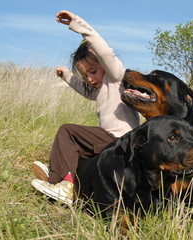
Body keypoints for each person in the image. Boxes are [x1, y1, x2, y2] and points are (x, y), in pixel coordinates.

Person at [31, 10, 140, 204]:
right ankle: (61, 179)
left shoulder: (116, 77)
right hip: (110, 144)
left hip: (120, 141)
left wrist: (78, 24)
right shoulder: (100, 89)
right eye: (85, 75)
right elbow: (85, 91)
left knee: (68, 132)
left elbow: (105, 52)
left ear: (105, 65)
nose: (90, 78)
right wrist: (66, 76)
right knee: (77, 154)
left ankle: (58, 181)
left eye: (93, 71)